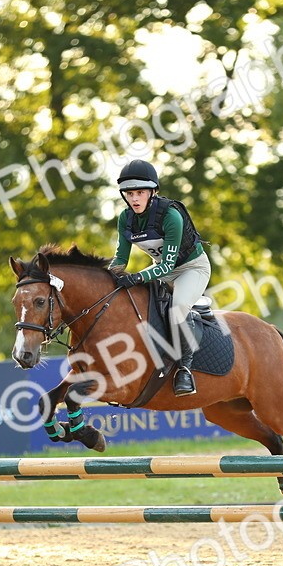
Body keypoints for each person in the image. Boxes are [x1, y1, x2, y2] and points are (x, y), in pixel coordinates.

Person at [109, 159, 211, 396]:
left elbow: (167, 265)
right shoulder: (125, 218)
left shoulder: (171, 216)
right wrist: (105, 280)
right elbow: (120, 259)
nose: (135, 199)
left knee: (178, 308)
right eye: (130, 194)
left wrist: (137, 277)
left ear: (152, 192)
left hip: (191, 268)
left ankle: (185, 369)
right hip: (160, 269)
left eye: (140, 193)